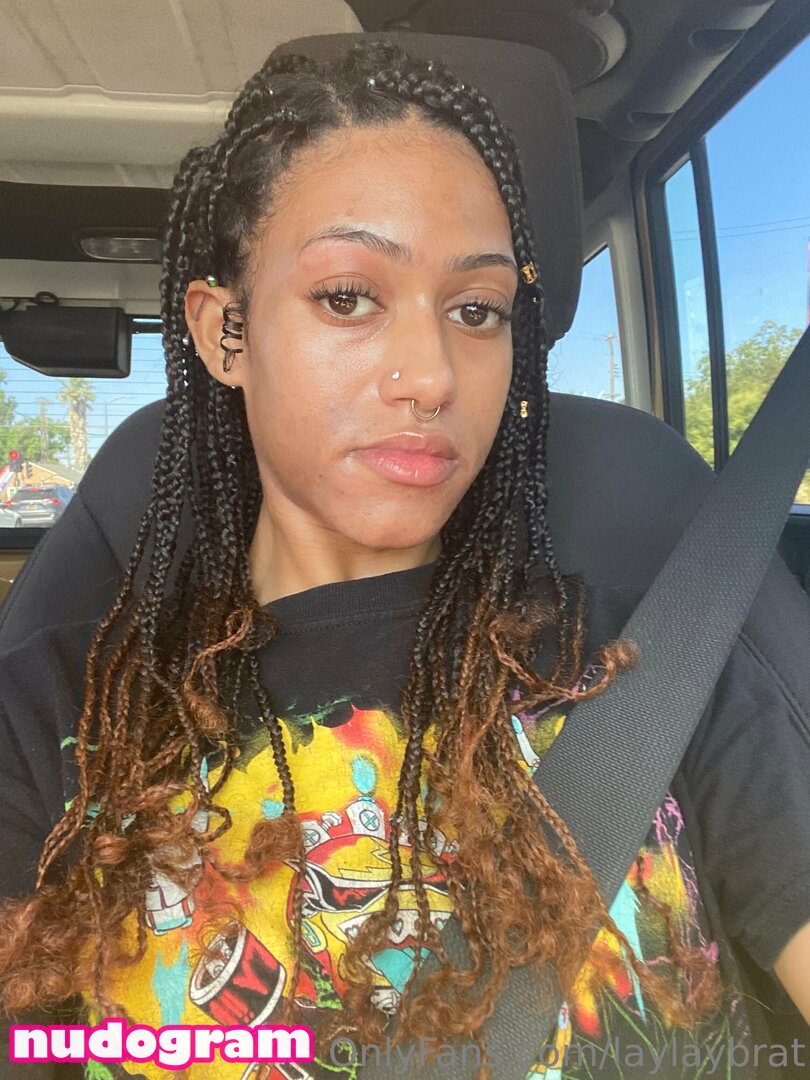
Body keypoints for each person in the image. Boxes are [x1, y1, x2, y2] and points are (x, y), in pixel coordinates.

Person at [0, 39, 809, 1080]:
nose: (431, 375)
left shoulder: (650, 665)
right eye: (348, 296)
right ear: (224, 332)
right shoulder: (57, 723)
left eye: (476, 311)